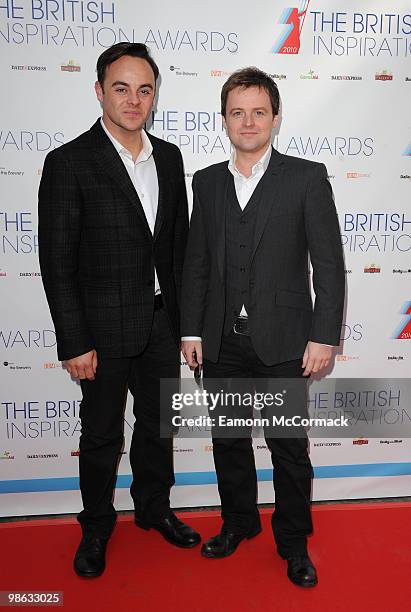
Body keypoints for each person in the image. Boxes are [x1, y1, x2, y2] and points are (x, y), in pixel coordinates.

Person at [38, 42, 200, 579]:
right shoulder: (68, 163)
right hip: (101, 333)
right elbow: (57, 262)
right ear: (100, 91)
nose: (134, 99)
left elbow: (177, 249)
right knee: (102, 435)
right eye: (122, 87)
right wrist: (74, 341)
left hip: (161, 323)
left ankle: (154, 510)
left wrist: (185, 325)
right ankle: (97, 527)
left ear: (155, 96)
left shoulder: (171, 158)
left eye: (145, 89)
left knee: (158, 428)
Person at [181, 67, 345, 587]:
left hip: (285, 343)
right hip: (222, 342)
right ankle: (238, 523)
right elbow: (197, 264)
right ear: (224, 120)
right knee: (229, 440)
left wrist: (323, 335)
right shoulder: (206, 183)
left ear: (275, 117)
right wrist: (191, 332)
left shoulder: (305, 177)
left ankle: (293, 542)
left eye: (258, 112)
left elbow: (330, 265)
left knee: (288, 448)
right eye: (237, 112)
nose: (247, 121)